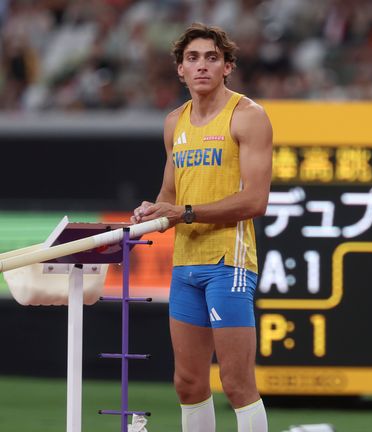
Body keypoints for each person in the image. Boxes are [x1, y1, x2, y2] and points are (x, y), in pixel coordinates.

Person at [131, 22, 272, 432]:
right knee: (188, 383)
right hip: (185, 265)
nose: (202, 66)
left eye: (212, 57)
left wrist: (185, 214)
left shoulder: (248, 117)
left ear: (228, 67)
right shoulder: (174, 122)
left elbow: (255, 201)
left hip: (228, 263)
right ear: (180, 69)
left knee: (236, 383)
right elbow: (170, 192)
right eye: (192, 58)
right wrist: (151, 211)